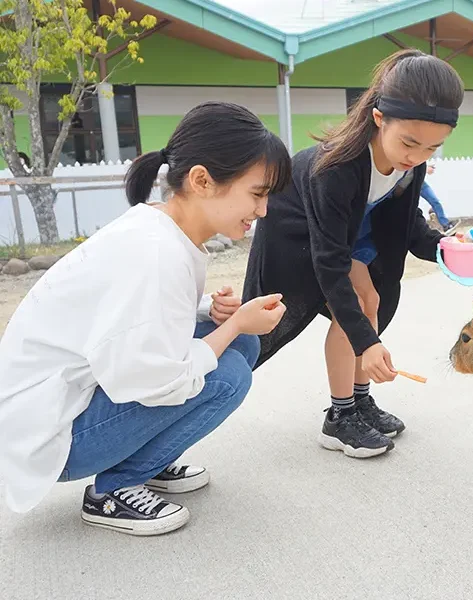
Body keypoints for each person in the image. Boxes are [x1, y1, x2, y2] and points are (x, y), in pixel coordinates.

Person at [0, 101, 290, 536]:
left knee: (241, 345)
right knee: (229, 373)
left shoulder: (159, 228)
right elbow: (152, 379)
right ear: (201, 180)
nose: (263, 210)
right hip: (48, 437)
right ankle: (113, 491)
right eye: (257, 193)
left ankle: (147, 460)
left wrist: (209, 309)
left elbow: (130, 319)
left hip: (66, 401)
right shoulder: (155, 253)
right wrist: (233, 325)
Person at [243, 49, 464, 459]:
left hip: (350, 236)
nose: (417, 157)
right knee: (357, 311)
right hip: (301, 235)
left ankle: (358, 402)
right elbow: (327, 262)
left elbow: (409, 222)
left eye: (432, 149)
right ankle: (339, 418)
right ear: (379, 118)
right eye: (410, 143)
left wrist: (448, 250)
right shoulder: (336, 167)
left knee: (373, 299)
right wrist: (367, 344)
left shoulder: (408, 165)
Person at [420, 146, 458, 234]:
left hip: (421, 182)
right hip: (409, 185)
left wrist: (426, 167)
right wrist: (425, 169)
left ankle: (446, 225)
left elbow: (418, 165)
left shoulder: (421, 152)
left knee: (435, 201)